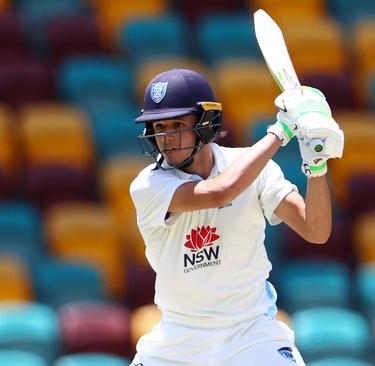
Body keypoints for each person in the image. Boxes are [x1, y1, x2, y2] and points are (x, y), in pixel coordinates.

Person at [129, 68, 344, 366]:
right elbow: (221, 192)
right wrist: (281, 130)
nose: (166, 137)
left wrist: (316, 166)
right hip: (177, 341)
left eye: (177, 124)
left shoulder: (256, 170)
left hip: (252, 333)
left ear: (205, 124)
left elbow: (316, 230)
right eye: (159, 126)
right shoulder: (148, 185)